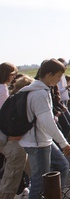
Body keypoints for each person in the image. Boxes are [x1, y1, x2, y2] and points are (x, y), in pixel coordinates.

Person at [20, 59, 70, 198]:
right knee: (40, 181)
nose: (60, 79)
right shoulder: (39, 94)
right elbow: (47, 122)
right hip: (37, 143)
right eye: (58, 76)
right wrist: (63, 143)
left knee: (62, 166)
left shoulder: (39, 90)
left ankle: (56, 194)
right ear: (49, 74)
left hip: (42, 139)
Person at [0, 64, 28, 199]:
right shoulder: (3, 89)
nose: (13, 78)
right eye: (13, 75)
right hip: (6, 135)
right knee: (11, 171)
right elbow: (6, 113)